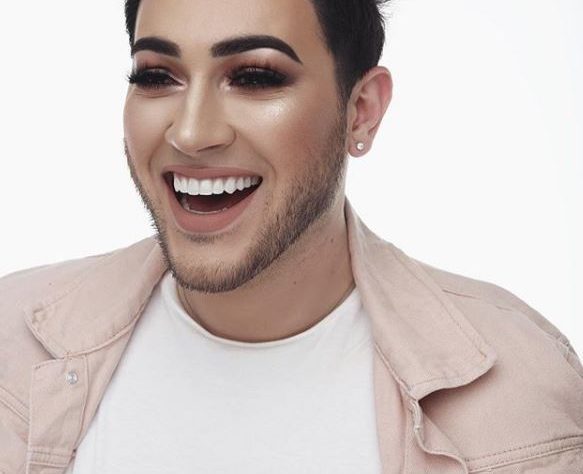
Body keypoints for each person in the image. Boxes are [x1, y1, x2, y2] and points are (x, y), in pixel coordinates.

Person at [1, 0, 582, 472]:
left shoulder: (515, 387)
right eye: (157, 76)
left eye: (254, 77)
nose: (191, 133)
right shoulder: (12, 345)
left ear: (361, 111)